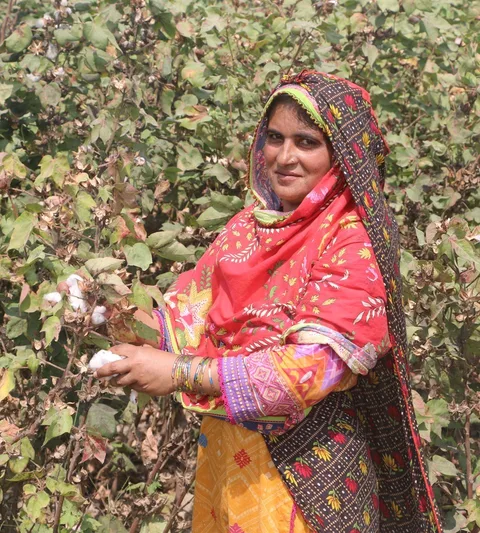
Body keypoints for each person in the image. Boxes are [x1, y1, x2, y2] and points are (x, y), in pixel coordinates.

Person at [95, 70, 444, 533]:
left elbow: (309, 370)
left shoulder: (351, 243)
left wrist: (177, 372)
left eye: (306, 142)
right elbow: (185, 321)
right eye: (274, 138)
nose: (284, 157)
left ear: (340, 155)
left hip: (306, 480)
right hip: (224, 459)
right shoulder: (247, 228)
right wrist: (102, 311)